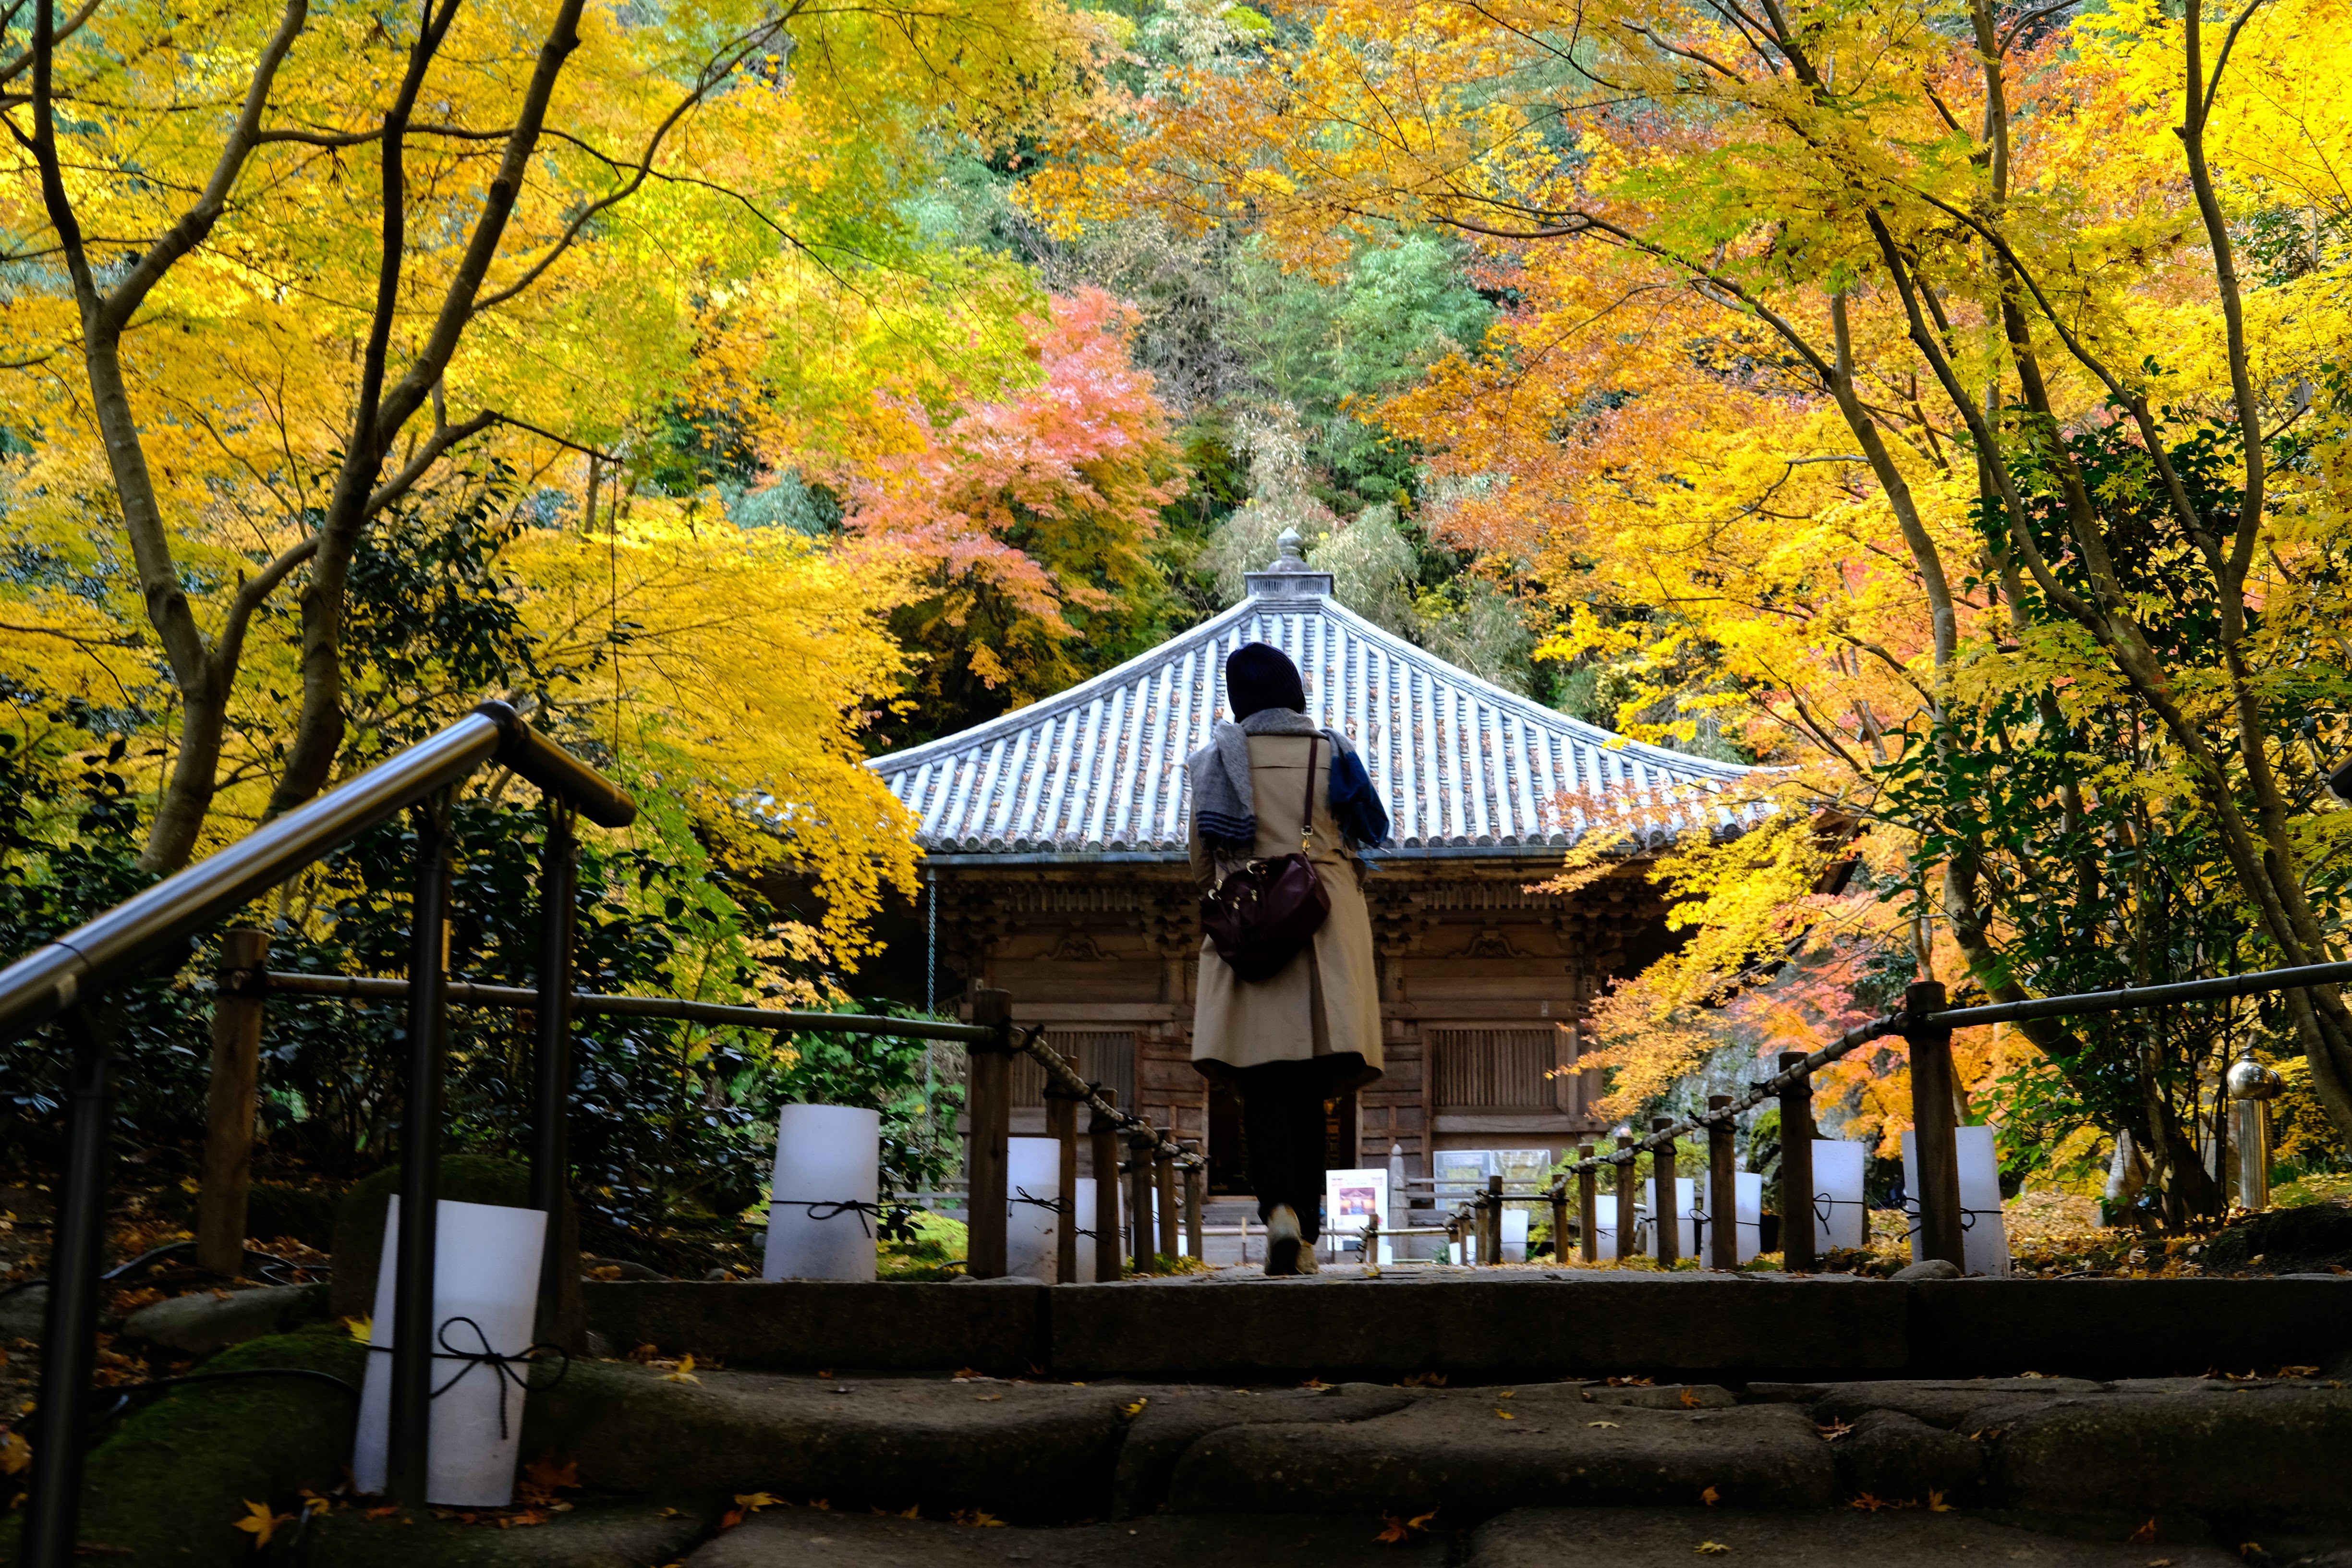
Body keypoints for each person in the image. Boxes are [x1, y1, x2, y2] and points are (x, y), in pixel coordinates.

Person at [1186, 643, 1390, 1276]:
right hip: (1323, 924)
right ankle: (1304, 1232)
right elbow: (1372, 830)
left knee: (1261, 1081)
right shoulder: (1331, 752)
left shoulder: (1212, 760)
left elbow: (1200, 862)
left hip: (1251, 930)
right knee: (1311, 1087)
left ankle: (1277, 1209)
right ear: (1294, 693)